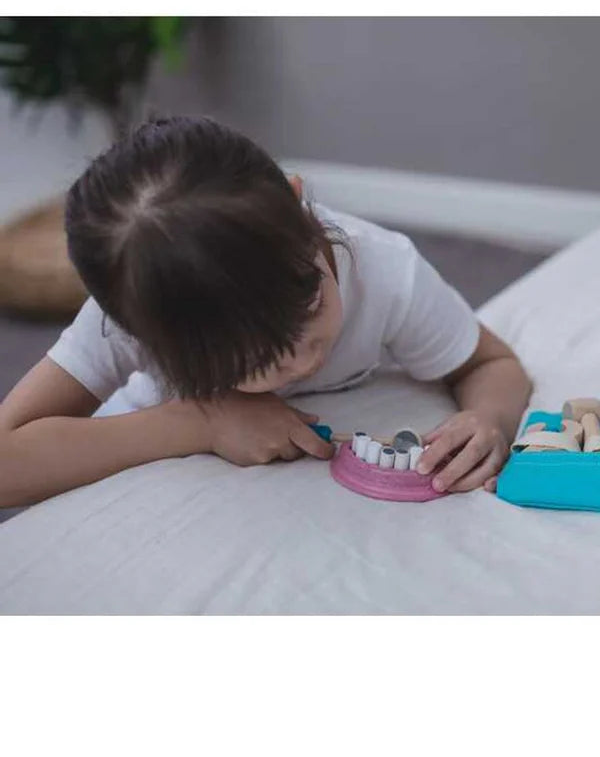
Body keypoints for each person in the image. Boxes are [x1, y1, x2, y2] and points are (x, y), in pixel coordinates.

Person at [0, 116, 532, 508]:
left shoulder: (387, 272)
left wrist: (490, 418)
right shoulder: (133, 312)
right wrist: (201, 422)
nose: (302, 360)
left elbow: (489, 363)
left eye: (311, 304)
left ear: (298, 207)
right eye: (251, 362)